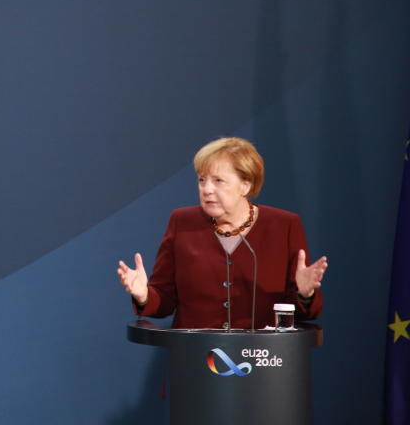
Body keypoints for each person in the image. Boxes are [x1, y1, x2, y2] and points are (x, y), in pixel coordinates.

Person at [117, 137, 328, 330]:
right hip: (196, 358)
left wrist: (305, 294)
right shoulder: (182, 222)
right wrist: (144, 295)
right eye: (202, 180)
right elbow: (165, 300)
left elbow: (300, 313)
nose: (207, 189)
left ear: (245, 185)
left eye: (218, 181)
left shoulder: (284, 226)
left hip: (263, 360)